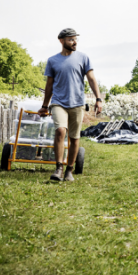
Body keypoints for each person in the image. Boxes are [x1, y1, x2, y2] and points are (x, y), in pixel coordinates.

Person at [38, 28, 103, 182]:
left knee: (74, 138)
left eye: (75, 39)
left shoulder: (83, 58)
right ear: (61, 41)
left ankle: (69, 170)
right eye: (71, 39)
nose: (74, 42)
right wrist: (45, 106)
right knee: (60, 131)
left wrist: (98, 99)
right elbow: (49, 85)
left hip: (77, 103)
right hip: (58, 102)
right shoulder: (53, 60)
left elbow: (92, 79)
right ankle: (59, 168)